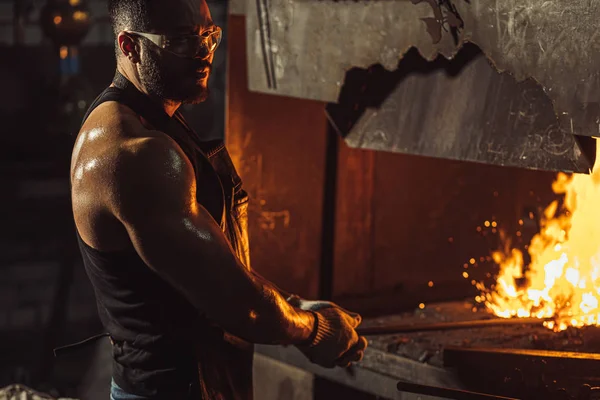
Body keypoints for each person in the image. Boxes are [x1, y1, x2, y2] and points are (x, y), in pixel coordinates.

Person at [68, 0, 368, 398]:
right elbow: (236, 304)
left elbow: (208, 269)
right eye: (181, 41)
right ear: (129, 46)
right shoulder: (134, 151)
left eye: (209, 35)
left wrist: (292, 304)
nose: (204, 52)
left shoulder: (156, 119)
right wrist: (315, 331)